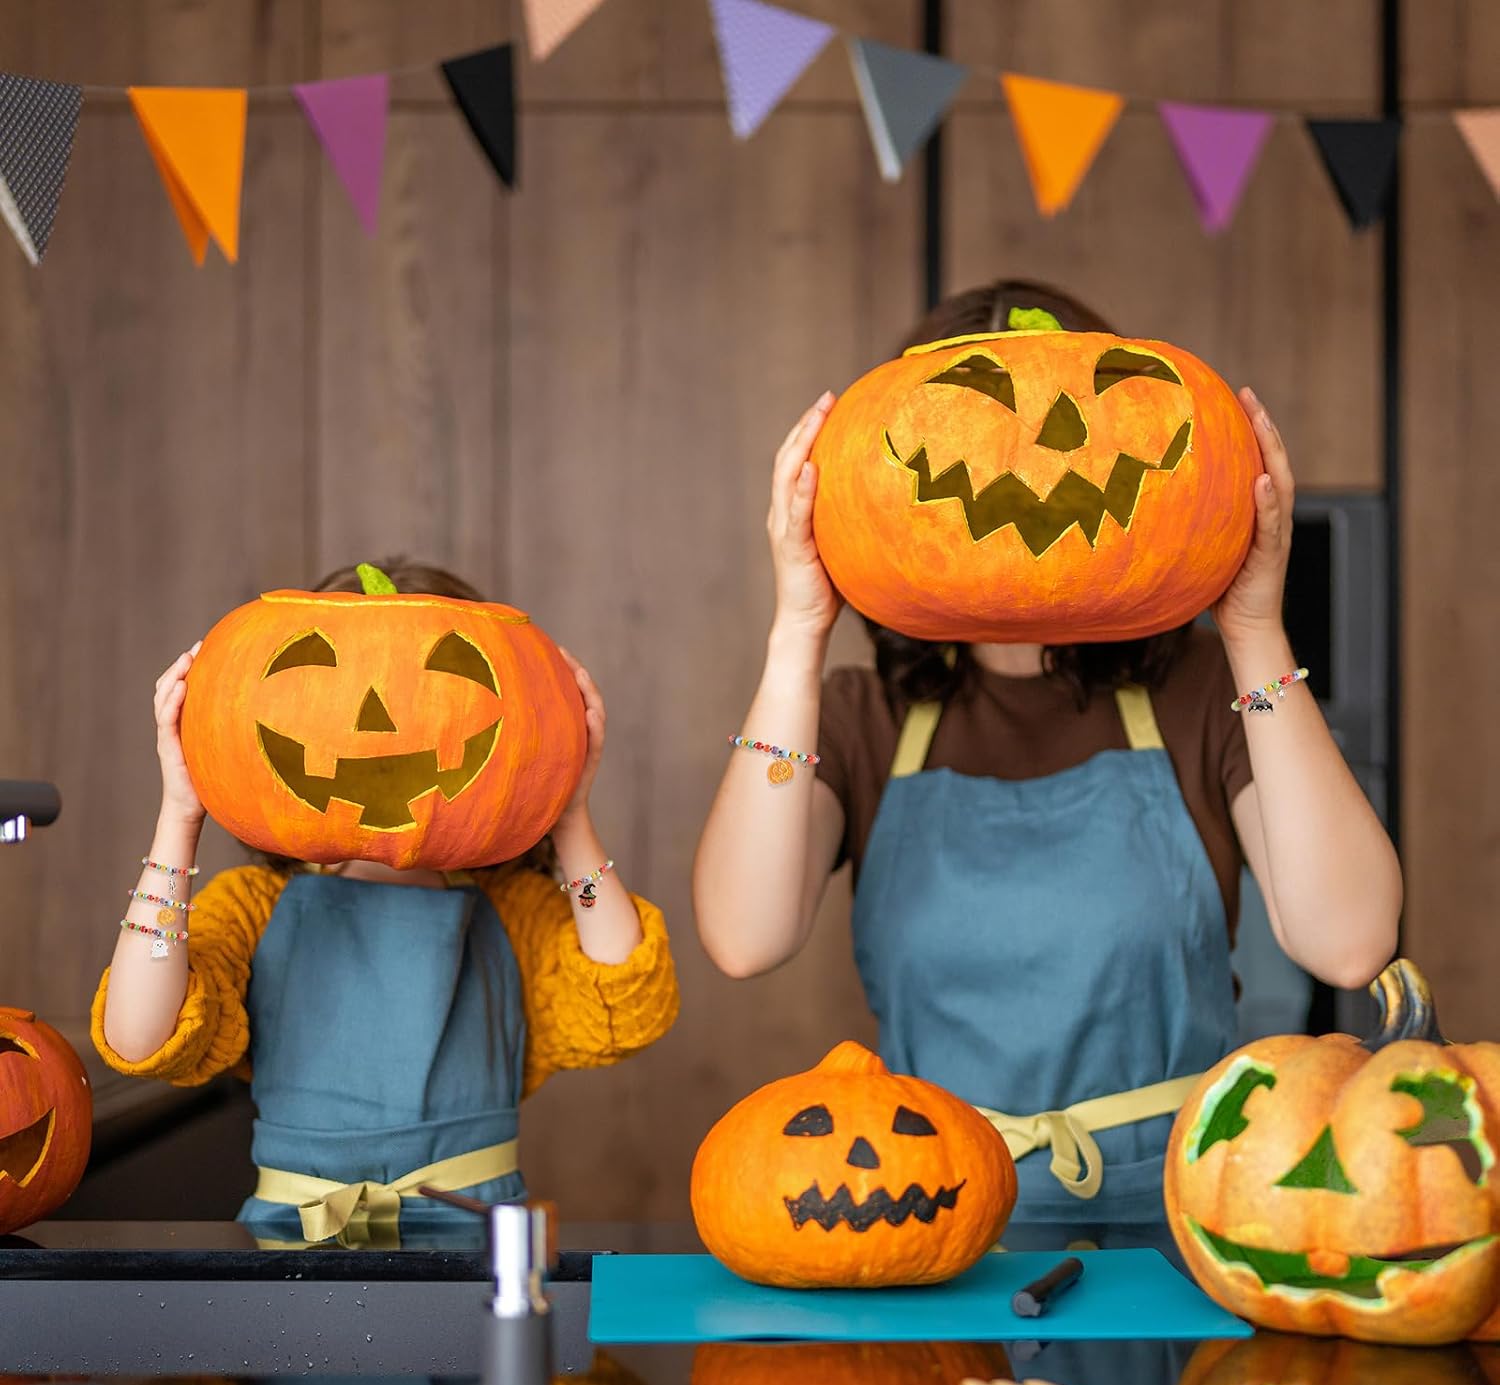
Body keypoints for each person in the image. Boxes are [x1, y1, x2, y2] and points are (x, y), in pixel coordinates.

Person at [694, 279, 1402, 1223]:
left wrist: (1255, 631)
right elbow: (744, 937)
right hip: (929, 1214)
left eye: (1073, 421)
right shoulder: (863, 717)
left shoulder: (1201, 692)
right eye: (974, 422)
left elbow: (1350, 943)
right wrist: (797, 630)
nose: (1026, 459)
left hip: (1185, 1220)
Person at [93, 560, 679, 1246]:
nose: (378, 721)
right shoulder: (255, 906)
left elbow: (624, 999)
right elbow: (139, 1035)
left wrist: (569, 813)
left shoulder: (511, 910)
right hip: (292, 1246)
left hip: (474, 1246)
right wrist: (180, 815)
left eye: (438, 683)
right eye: (328, 684)